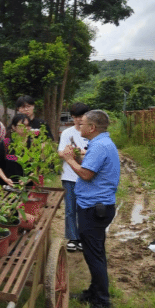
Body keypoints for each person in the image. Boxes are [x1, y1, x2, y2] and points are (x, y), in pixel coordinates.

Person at [62, 110, 120, 308]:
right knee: (94, 252)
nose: (79, 125)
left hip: (94, 208)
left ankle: (102, 303)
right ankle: (93, 292)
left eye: (83, 123)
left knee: (94, 255)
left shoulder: (100, 146)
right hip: (96, 206)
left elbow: (86, 174)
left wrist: (69, 159)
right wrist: (78, 157)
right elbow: (90, 166)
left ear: (92, 128)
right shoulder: (100, 143)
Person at [58, 103, 90, 253]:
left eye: (81, 116)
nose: (78, 119)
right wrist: (70, 153)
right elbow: (60, 152)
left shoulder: (91, 133)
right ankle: (73, 238)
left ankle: (84, 237)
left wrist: (81, 152)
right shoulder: (67, 133)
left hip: (87, 176)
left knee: (85, 209)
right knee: (70, 209)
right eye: (76, 116)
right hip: (69, 176)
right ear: (72, 117)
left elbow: (96, 152)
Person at [0, 114, 31, 186]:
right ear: (13, 127)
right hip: (8, 185)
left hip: (27, 186)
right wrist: (5, 179)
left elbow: (37, 168)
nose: (25, 128)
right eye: (22, 125)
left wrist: (26, 180)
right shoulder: (5, 143)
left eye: (27, 125)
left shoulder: (33, 144)